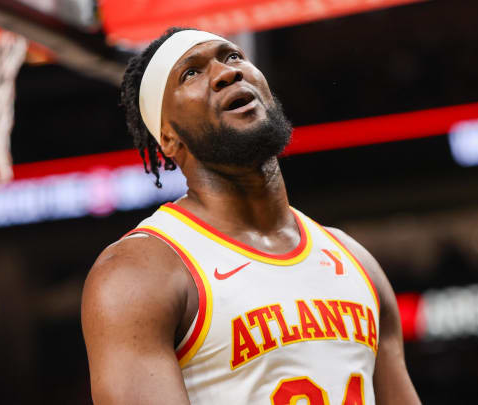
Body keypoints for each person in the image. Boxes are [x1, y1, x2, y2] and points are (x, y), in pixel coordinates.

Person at [81, 27, 421, 405]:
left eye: (232, 56)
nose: (227, 72)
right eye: (190, 73)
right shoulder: (139, 272)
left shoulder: (355, 261)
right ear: (168, 137)